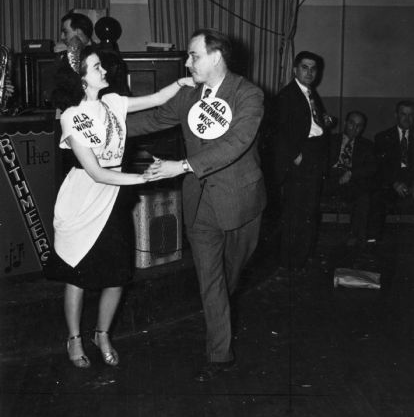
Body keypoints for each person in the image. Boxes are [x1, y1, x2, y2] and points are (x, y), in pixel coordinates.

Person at [44, 45, 194, 368]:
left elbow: (154, 100)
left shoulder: (113, 102)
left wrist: (180, 84)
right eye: (96, 67)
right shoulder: (72, 117)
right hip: (85, 197)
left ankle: (102, 333)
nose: (104, 71)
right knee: (78, 272)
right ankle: (74, 338)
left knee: (116, 274)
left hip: (114, 197)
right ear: (81, 79)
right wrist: (144, 179)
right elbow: (96, 172)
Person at [134, 28, 267, 382]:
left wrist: (184, 165)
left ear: (216, 56)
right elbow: (152, 120)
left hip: (240, 203)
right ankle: (220, 355)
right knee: (211, 281)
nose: (187, 62)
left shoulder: (248, 95)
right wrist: (99, 127)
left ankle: (222, 318)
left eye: (193, 55)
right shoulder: (189, 95)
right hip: (200, 203)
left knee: (229, 278)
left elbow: (236, 142)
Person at [273, 50, 334, 272]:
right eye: (305, 67)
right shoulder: (287, 95)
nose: (309, 72)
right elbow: (278, 131)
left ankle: (301, 258)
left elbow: (308, 122)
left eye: (313, 68)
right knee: (295, 213)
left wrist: (324, 122)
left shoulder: (311, 93)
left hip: (315, 155)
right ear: (295, 70)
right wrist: (294, 156)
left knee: (309, 211)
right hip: (301, 159)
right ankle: (289, 262)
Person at [323, 111, 376, 245]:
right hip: (330, 179)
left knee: (363, 196)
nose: (354, 128)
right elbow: (320, 162)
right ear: (346, 123)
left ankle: (356, 237)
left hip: (351, 181)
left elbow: (371, 167)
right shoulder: (330, 140)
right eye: (352, 123)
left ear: (363, 128)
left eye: (359, 125)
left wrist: (351, 173)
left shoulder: (367, 145)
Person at [368, 100, 414, 242]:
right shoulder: (382, 137)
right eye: (403, 114)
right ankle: (372, 241)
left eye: (411, 115)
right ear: (396, 115)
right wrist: (394, 183)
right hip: (391, 185)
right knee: (376, 198)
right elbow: (380, 167)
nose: (407, 118)